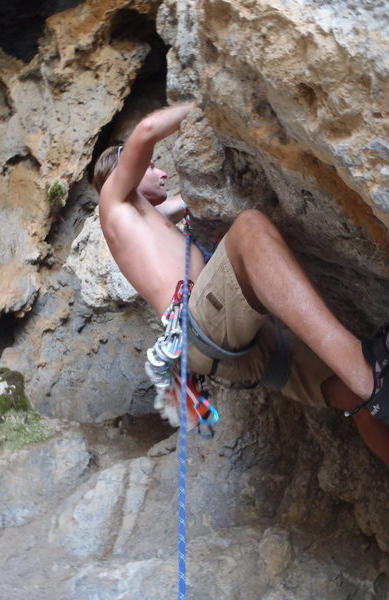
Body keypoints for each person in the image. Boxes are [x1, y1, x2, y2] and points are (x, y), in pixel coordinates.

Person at [94, 103, 389, 467]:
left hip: (222, 344)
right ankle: (364, 372)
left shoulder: (146, 219)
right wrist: (203, 102)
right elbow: (147, 130)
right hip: (202, 327)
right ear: (121, 171)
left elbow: (190, 201)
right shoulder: (113, 203)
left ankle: (362, 382)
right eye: (151, 167)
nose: (161, 171)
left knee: (351, 395)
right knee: (249, 228)